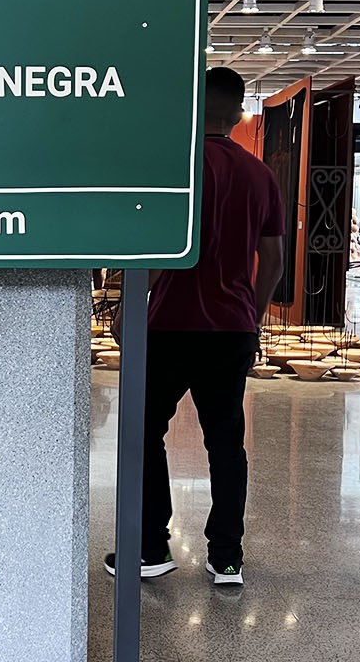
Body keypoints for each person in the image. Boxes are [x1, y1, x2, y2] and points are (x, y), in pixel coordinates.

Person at [105, 66, 286, 586]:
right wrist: (251, 313)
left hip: (168, 327)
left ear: (193, 105)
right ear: (236, 112)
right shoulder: (261, 176)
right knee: (226, 442)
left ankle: (150, 547)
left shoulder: (175, 169)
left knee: (144, 432)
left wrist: (129, 303)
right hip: (230, 330)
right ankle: (227, 555)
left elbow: (161, 253)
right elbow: (272, 259)